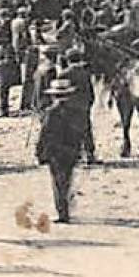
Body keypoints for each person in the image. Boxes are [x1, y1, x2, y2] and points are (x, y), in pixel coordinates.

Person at [35, 78, 89, 223]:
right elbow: (83, 131)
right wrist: (83, 149)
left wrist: (40, 152)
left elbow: (45, 134)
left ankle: (62, 212)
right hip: (72, 150)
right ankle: (66, 208)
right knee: (67, 179)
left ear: (53, 96)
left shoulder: (51, 112)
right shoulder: (77, 111)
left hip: (55, 152)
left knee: (58, 182)